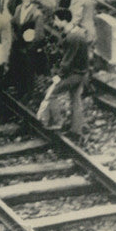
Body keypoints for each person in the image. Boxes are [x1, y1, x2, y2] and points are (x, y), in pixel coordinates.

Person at [38, 8, 92, 136]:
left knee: (51, 93)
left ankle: (58, 122)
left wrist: (58, 75)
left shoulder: (73, 37)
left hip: (75, 74)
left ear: (63, 20)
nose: (54, 23)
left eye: (56, 20)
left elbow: (67, 60)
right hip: (82, 73)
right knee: (75, 99)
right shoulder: (76, 32)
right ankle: (76, 129)